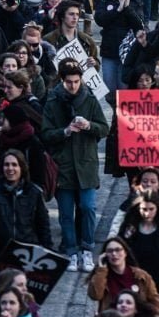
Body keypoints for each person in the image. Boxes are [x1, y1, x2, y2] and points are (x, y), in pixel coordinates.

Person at [41, 61, 109, 271]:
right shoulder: (52, 102)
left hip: (85, 164)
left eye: (76, 82)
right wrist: (65, 131)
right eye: (69, 82)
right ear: (62, 81)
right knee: (65, 212)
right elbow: (45, 134)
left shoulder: (89, 100)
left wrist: (89, 125)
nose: (73, 86)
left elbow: (104, 128)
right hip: (64, 165)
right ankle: (71, 250)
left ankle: (87, 248)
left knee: (88, 207)